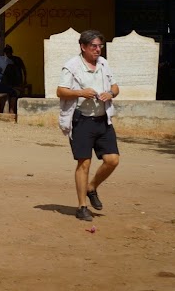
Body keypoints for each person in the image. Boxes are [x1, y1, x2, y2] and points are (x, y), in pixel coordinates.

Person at [57, 30, 120, 222]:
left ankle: (92, 187)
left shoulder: (103, 63)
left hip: (103, 119)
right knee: (84, 163)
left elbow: (116, 87)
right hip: (82, 120)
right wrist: (80, 92)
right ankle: (82, 206)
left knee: (112, 160)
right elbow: (60, 91)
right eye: (94, 46)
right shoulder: (71, 66)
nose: (97, 49)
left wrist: (110, 93)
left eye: (100, 46)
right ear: (83, 47)